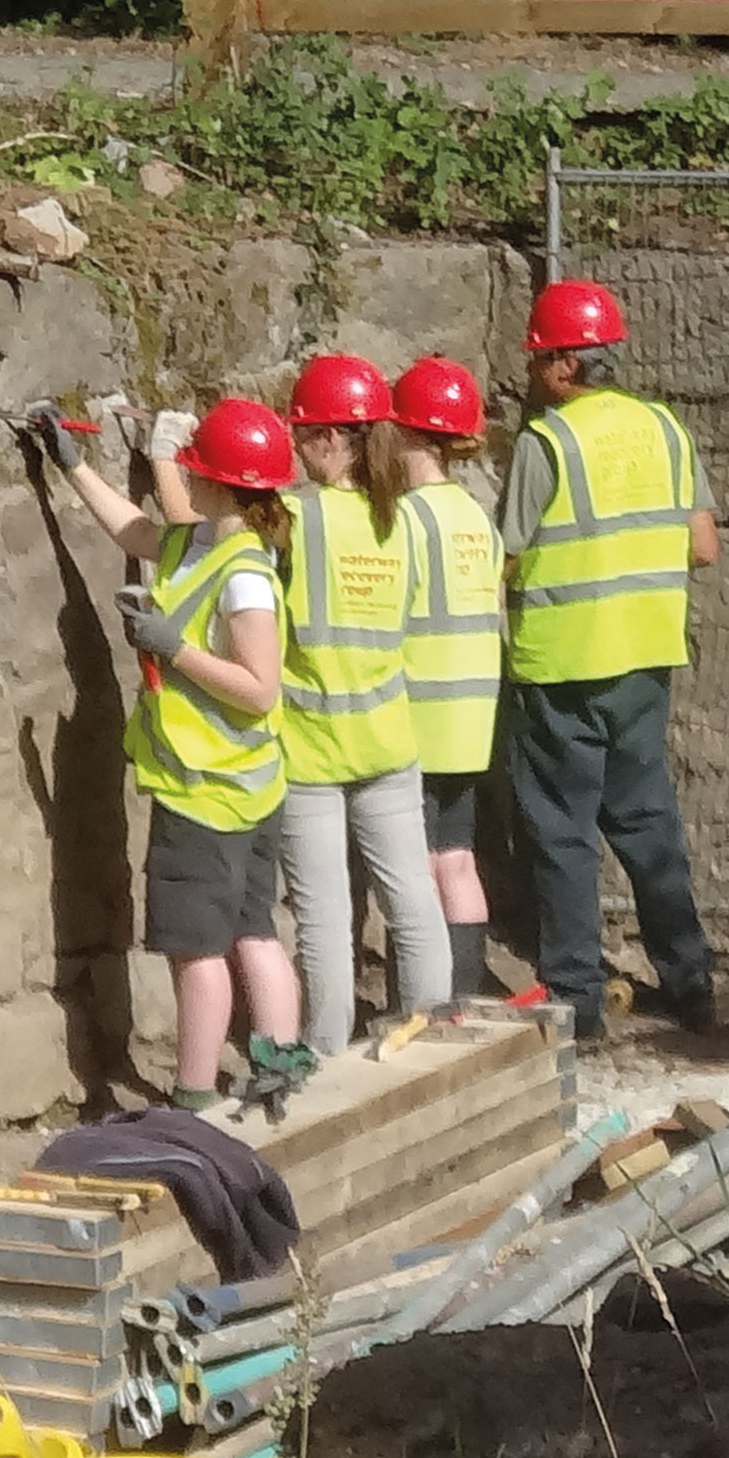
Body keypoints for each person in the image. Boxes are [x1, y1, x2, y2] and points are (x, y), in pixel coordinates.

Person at [26, 396, 309, 1112]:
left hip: (206, 789)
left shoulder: (242, 574)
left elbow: (259, 688)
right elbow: (137, 529)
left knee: (198, 950)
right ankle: (280, 1060)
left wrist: (172, 646)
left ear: (214, 481)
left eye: (192, 469)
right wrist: (73, 465)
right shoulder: (204, 541)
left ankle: (192, 1092)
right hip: (245, 786)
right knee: (253, 932)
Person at [501, 279, 718, 1043]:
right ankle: (692, 984)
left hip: (560, 668)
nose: (531, 376)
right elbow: (703, 546)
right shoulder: (666, 430)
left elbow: (511, 557)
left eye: (536, 361)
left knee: (563, 837)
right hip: (645, 659)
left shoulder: (546, 441)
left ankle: (579, 1003)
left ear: (563, 366)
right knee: (648, 823)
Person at [274, 354, 454, 1054]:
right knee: (412, 900)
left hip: (311, 745)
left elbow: (205, 538)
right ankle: (429, 1040)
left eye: (301, 435)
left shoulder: (295, 515)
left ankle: (324, 1057)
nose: (295, 448)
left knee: (323, 917)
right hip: (386, 738)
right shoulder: (402, 522)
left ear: (328, 439)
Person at [392, 356, 506, 1003]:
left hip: (419, 716)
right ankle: (462, 994)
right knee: (459, 858)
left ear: (405, 433)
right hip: (470, 718)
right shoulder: (474, 517)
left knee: (421, 865)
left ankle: (426, 1000)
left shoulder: (408, 520)